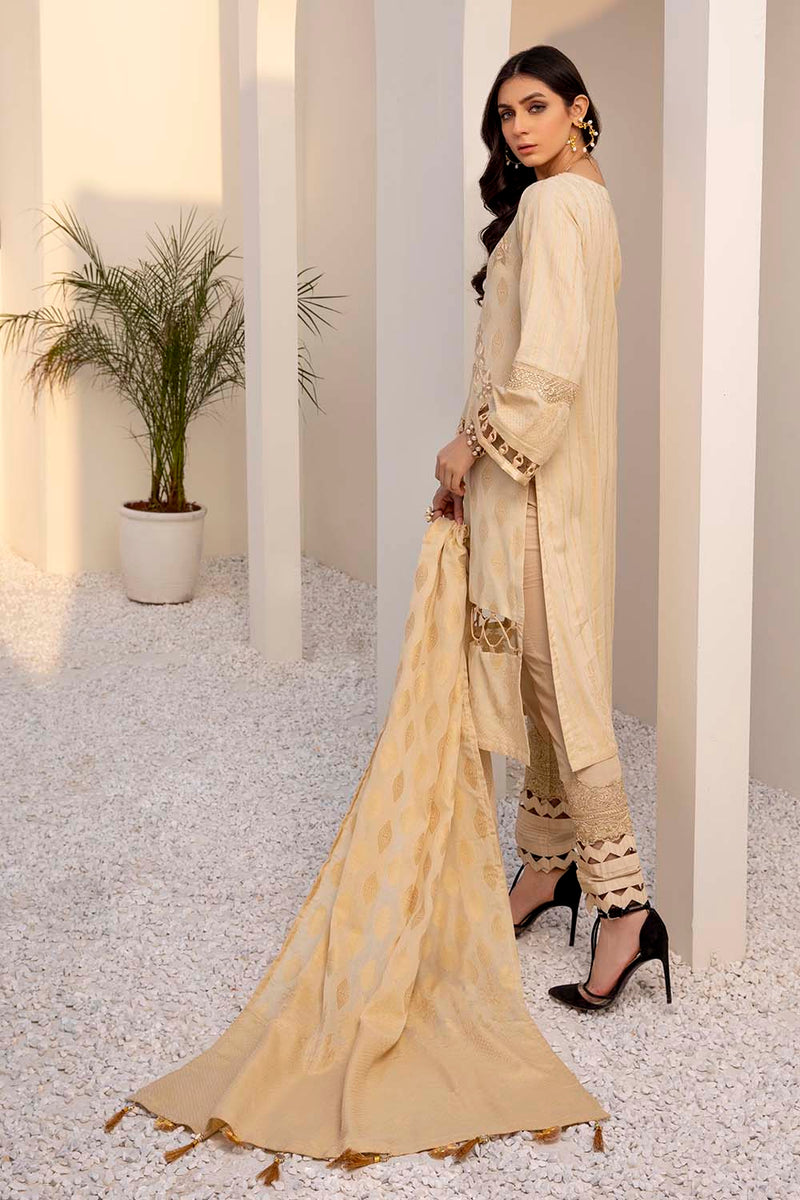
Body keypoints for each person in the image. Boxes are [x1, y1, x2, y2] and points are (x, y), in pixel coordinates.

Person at [429, 45, 670, 1012]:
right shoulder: (587, 199)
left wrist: (471, 446)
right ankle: (545, 867)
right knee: (538, 680)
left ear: (579, 108)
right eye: (505, 115)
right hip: (548, 485)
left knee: (561, 687)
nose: (518, 127)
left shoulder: (557, 204)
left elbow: (548, 368)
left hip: (536, 490)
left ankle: (625, 907)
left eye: (536, 107)